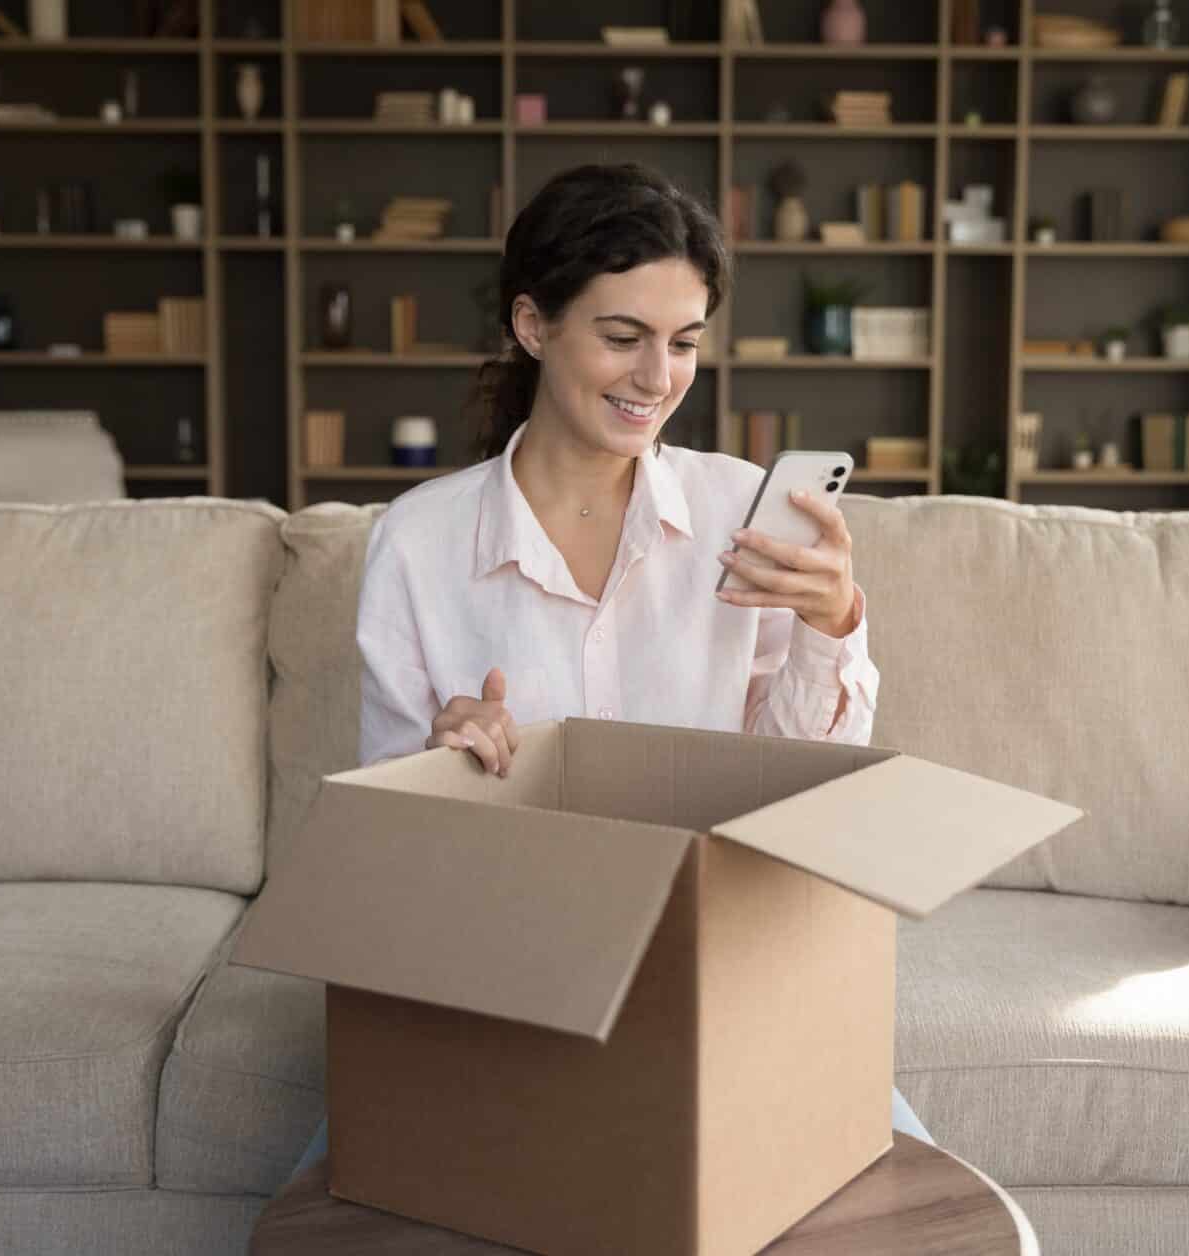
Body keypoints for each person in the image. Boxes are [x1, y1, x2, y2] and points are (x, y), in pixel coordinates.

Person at [292, 162, 927, 1180]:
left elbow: (799, 791)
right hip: (508, 974)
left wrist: (833, 622)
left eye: (683, 343)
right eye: (622, 337)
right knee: (349, 1192)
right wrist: (437, 759)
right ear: (533, 324)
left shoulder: (738, 512)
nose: (656, 378)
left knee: (889, 1176)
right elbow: (382, 858)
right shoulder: (419, 541)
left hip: (718, 960)